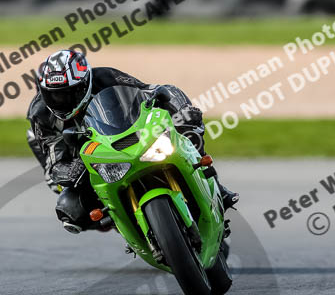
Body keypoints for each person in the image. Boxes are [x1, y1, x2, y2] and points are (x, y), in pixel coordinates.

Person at [27, 49, 238, 233]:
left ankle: (215, 186)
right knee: (69, 207)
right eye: (53, 95)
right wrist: (68, 172)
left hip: (128, 135)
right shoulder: (40, 114)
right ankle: (121, 221)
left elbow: (154, 91)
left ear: (83, 84)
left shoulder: (107, 77)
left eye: (67, 94)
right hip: (87, 157)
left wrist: (184, 112)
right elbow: (53, 163)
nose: (60, 101)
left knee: (188, 135)